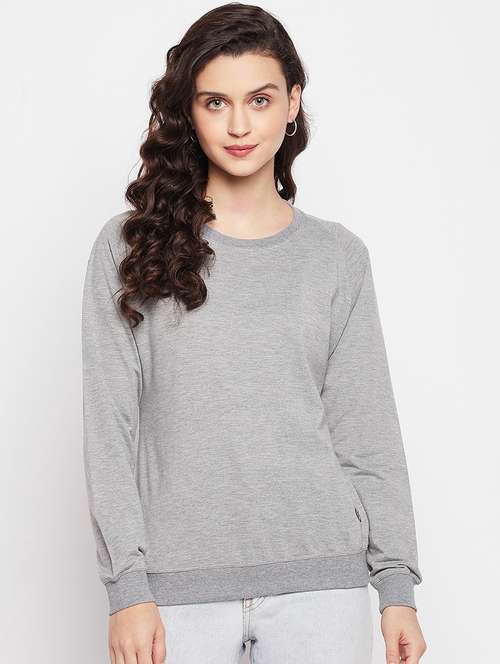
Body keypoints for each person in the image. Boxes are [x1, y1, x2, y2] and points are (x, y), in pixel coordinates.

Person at [81, 3, 427, 663]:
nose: (239, 125)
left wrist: (395, 585)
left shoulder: (336, 257)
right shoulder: (130, 248)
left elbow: (367, 433)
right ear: (189, 111)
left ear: (292, 103)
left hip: (323, 588)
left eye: (260, 100)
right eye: (216, 102)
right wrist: (127, 587)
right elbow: (109, 432)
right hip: (174, 594)